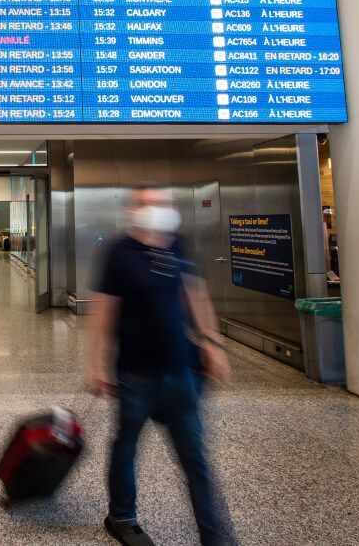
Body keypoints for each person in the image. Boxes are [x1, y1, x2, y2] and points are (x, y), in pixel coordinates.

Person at [89, 183, 233, 546]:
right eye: (148, 203)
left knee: (196, 460)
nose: (157, 209)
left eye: (163, 203)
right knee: (126, 448)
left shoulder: (178, 245)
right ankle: (121, 516)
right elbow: (105, 310)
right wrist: (96, 364)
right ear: (132, 210)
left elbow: (195, 295)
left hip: (181, 372)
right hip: (136, 373)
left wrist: (212, 342)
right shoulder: (119, 252)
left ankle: (215, 537)